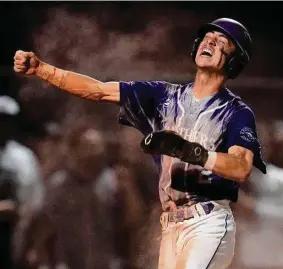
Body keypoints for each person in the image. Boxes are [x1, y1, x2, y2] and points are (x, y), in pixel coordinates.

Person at [14, 18, 266, 269]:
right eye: (208, 36)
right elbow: (99, 90)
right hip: (171, 225)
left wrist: (188, 150)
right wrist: (42, 69)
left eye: (222, 41)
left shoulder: (236, 112)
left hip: (208, 222)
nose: (210, 41)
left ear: (234, 62)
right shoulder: (162, 96)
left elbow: (241, 167)